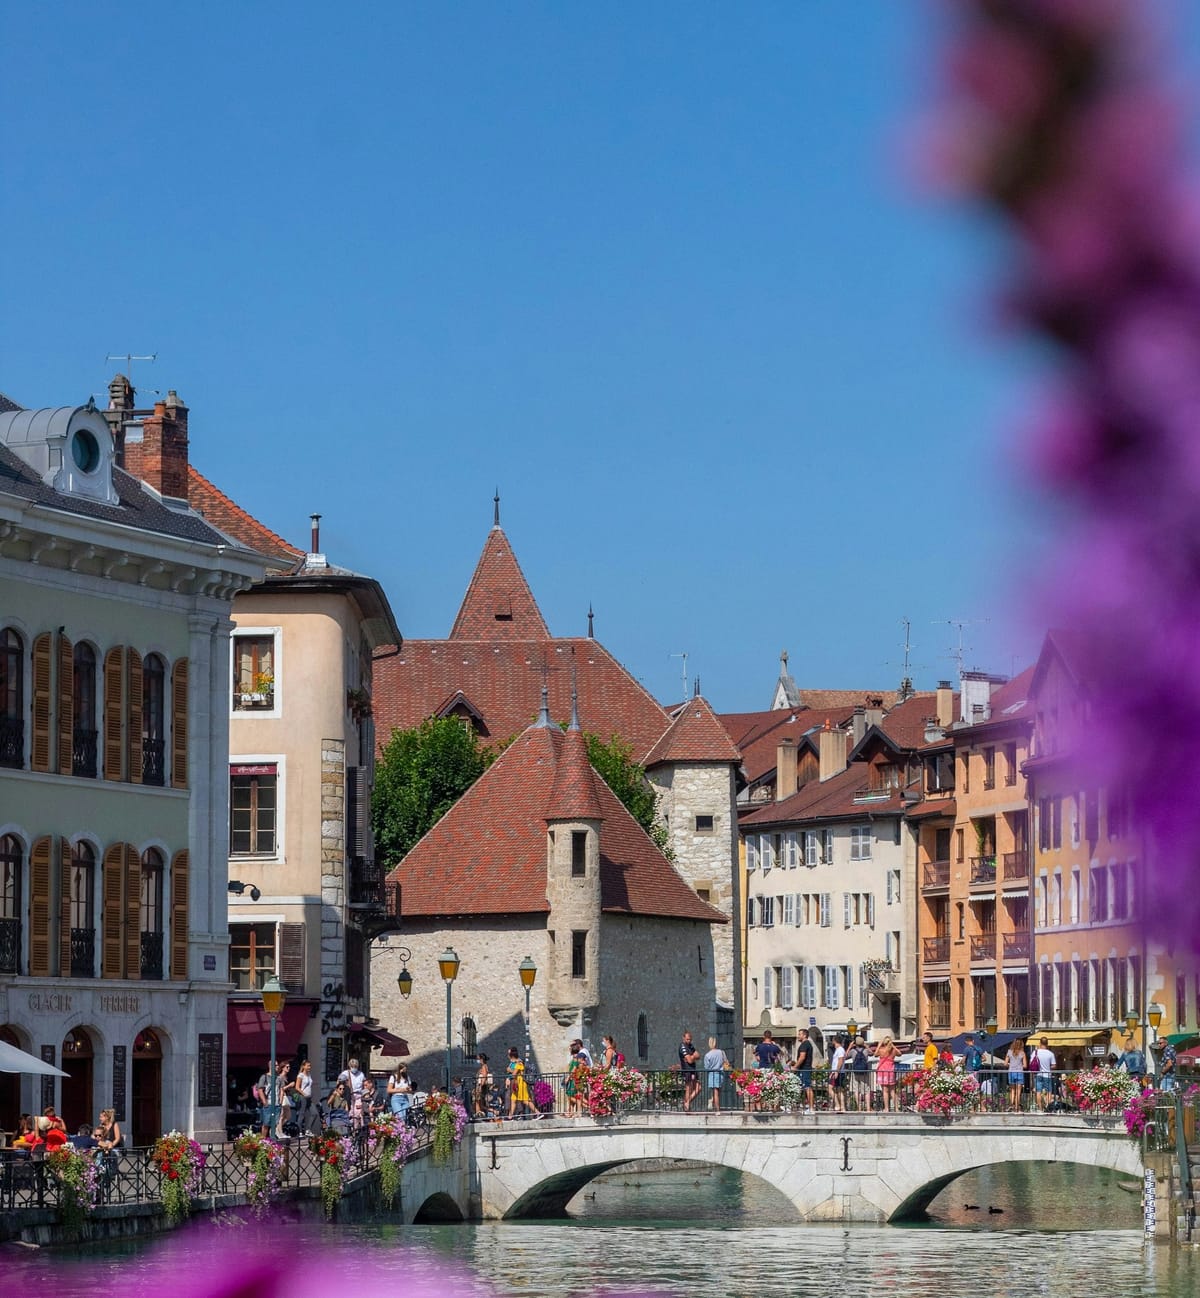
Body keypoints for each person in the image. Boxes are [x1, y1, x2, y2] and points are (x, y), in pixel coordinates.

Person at [506, 1045, 538, 1119]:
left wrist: (509, 1070)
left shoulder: (519, 1063)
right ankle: (510, 1117)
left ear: (512, 1055)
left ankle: (538, 1113)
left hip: (520, 1083)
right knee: (513, 1099)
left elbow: (514, 1074)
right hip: (516, 1083)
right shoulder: (516, 1063)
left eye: (509, 1054)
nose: (508, 1056)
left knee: (526, 1100)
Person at [792, 1028, 816, 1113]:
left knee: (807, 1087)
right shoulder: (807, 1044)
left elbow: (802, 1057)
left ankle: (811, 1108)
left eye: (800, 1034)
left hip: (804, 1069)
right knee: (800, 1087)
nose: (798, 1036)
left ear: (804, 1035)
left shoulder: (805, 1044)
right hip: (804, 1069)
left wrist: (795, 1066)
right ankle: (793, 1105)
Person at [701, 1036, 729, 1111]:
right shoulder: (721, 1052)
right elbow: (726, 1062)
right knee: (718, 1091)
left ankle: (717, 1109)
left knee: (715, 1092)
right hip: (720, 1073)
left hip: (712, 1074)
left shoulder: (708, 1055)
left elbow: (706, 1067)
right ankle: (714, 1103)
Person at [875, 1035, 899, 1112]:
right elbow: (900, 1053)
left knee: (885, 1091)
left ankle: (886, 1108)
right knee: (892, 1091)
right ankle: (897, 1108)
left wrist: (879, 1045)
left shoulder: (882, 1050)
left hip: (882, 1071)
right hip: (891, 1070)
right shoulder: (893, 1051)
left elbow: (875, 1054)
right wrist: (893, 1046)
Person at [679, 1030, 701, 1111]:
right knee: (688, 1088)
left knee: (698, 1088)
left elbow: (698, 1056)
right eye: (687, 1039)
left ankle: (687, 1103)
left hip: (693, 1070)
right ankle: (687, 1107)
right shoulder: (682, 1047)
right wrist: (693, 1056)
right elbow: (690, 1061)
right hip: (687, 1070)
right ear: (683, 1038)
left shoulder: (691, 1046)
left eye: (690, 1039)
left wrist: (692, 1057)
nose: (689, 1041)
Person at [1032, 1037, 1056, 1110]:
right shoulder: (1050, 1054)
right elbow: (1054, 1065)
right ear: (1047, 1044)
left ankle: (1040, 1108)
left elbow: (1031, 1063)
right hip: (1047, 1074)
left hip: (1038, 1074)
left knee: (1038, 1091)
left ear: (1040, 1043)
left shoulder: (1035, 1052)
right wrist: (1048, 1066)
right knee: (1049, 1091)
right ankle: (1048, 1106)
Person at [293, 1059, 317, 1134]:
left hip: (309, 1097)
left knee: (314, 1113)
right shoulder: (301, 1075)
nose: (309, 1067)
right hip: (303, 1097)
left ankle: (308, 1129)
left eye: (310, 1066)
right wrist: (304, 1094)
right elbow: (297, 1087)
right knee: (302, 1114)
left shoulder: (309, 1075)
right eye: (308, 1066)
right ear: (304, 1066)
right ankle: (299, 1131)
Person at [1005, 1039, 1027, 1112]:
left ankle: (1011, 1105)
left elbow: (1005, 1063)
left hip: (1011, 1072)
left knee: (1012, 1090)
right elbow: (1025, 1065)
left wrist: (1011, 1065)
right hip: (1019, 1073)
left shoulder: (1009, 1052)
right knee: (1018, 1091)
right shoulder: (1022, 1053)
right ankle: (1017, 1107)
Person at [828, 1036, 847, 1113]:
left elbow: (840, 1060)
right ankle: (842, 1107)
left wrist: (836, 1071)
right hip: (837, 1071)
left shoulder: (840, 1050)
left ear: (835, 1041)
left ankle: (838, 1105)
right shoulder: (839, 1050)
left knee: (830, 1088)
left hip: (838, 1072)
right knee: (839, 1090)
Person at [474, 1054, 494, 1120]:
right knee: (479, 1101)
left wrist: (480, 1086)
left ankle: (478, 1114)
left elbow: (484, 1077)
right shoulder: (484, 1066)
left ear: (481, 1059)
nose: (477, 1060)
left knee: (478, 1101)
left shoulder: (484, 1067)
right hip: (480, 1086)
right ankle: (479, 1114)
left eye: (478, 1059)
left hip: (481, 1086)